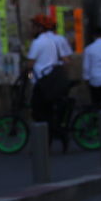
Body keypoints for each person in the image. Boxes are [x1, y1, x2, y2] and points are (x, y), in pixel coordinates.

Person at [25, 13, 74, 151]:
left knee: (38, 113)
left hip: (42, 83)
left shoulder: (37, 42)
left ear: (39, 28)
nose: (31, 29)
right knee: (47, 112)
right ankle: (49, 141)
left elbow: (30, 64)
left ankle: (54, 136)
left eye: (33, 26)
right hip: (51, 81)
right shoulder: (52, 41)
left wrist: (28, 75)